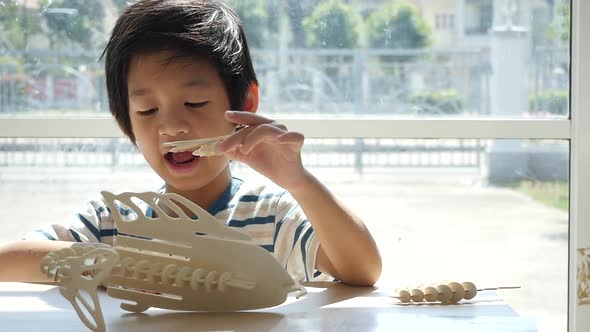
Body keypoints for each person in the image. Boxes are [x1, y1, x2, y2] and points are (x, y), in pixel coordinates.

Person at [0, 0, 381, 286]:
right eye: (147, 110)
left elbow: (362, 270)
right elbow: (9, 260)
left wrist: (298, 181)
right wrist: (130, 266)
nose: (171, 127)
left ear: (244, 103)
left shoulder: (272, 216)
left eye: (195, 103)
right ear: (124, 121)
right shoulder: (113, 222)